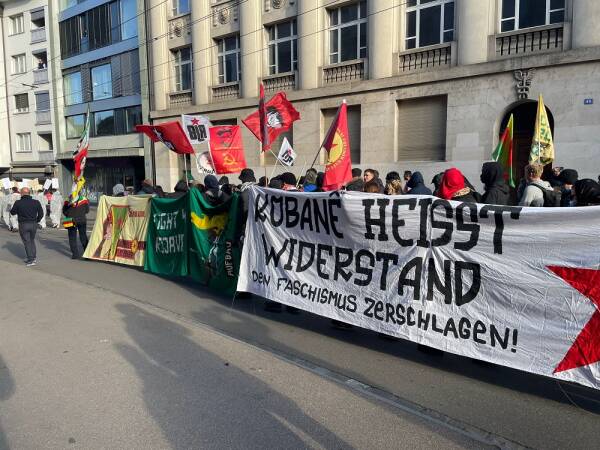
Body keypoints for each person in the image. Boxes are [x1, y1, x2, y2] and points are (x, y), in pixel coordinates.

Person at [10, 187, 43, 266]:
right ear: (29, 193)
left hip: (23, 224)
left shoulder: (18, 202)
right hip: (33, 223)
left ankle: (31, 259)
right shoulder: (36, 202)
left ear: (21, 193)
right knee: (31, 240)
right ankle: (33, 257)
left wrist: (16, 209)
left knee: (27, 242)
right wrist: (37, 220)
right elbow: (41, 213)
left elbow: (12, 212)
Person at [62, 192, 89, 259]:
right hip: (82, 220)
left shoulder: (68, 200)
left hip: (70, 220)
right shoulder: (84, 199)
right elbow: (87, 210)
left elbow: (64, 211)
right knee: (83, 236)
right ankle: (87, 254)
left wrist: (69, 213)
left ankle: (75, 254)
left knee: (72, 238)